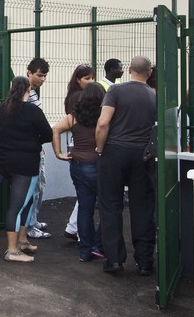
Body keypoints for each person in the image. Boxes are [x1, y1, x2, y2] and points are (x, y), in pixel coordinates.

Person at [95, 55, 157, 275]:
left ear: (130, 70)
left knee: (111, 205)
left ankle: (114, 260)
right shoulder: (155, 95)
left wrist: (100, 149)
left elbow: (103, 123)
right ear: (149, 73)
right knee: (143, 207)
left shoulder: (115, 91)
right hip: (143, 155)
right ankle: (145, 261)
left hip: (114, 152)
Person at [0, 76, 53, 263]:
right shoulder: (32, 110)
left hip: (6, 161)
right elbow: (47, 134)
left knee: (26, 202)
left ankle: (22, 240)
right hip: (26, 163)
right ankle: (12, 250)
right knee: (17, 207)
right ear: (29, 89)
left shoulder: (3, 109)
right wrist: (33, 141)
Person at [52, 82, 106, 263]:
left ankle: (85, 251)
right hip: (99, 165)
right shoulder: (105, 117)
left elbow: (56, 129)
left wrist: (58, 153)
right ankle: (99, 245)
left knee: (85, 208)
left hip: (77, 165)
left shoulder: (73, 117)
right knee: (108, 208)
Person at [61, 64, 96, 241]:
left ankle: (74, 227)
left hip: (76, 147)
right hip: (83, 149)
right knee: (86, 197)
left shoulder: (73, 96)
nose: (91, 82)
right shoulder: (80, 98)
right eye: (87, 78)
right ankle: (79, 231)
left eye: (92, 78)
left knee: (84, 196)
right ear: (78, 79)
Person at [25, 57, 51, 239]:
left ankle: (33, 221)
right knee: (34, 188)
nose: (42, 79)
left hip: (36, 146)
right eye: (39, 75)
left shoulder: (33, 92)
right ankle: (29, 225)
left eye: (44, 76)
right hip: (30, 148)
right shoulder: (25, 93)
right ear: (29, 73)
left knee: (39, 186)